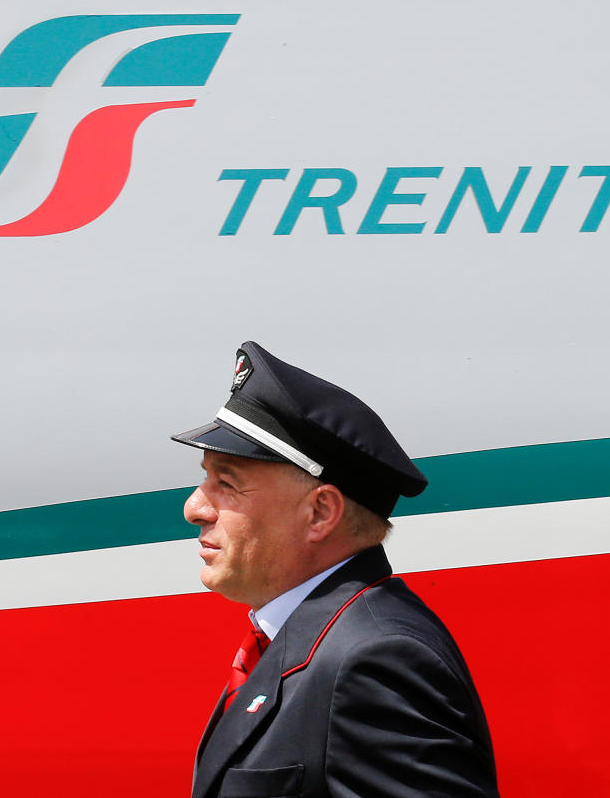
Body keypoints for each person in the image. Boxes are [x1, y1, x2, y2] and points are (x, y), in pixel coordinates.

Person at [171, 341, 499, 798]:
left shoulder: (375, 659)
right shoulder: (319, 643)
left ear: (321, 512)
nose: (194, 507)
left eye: (227, 482)